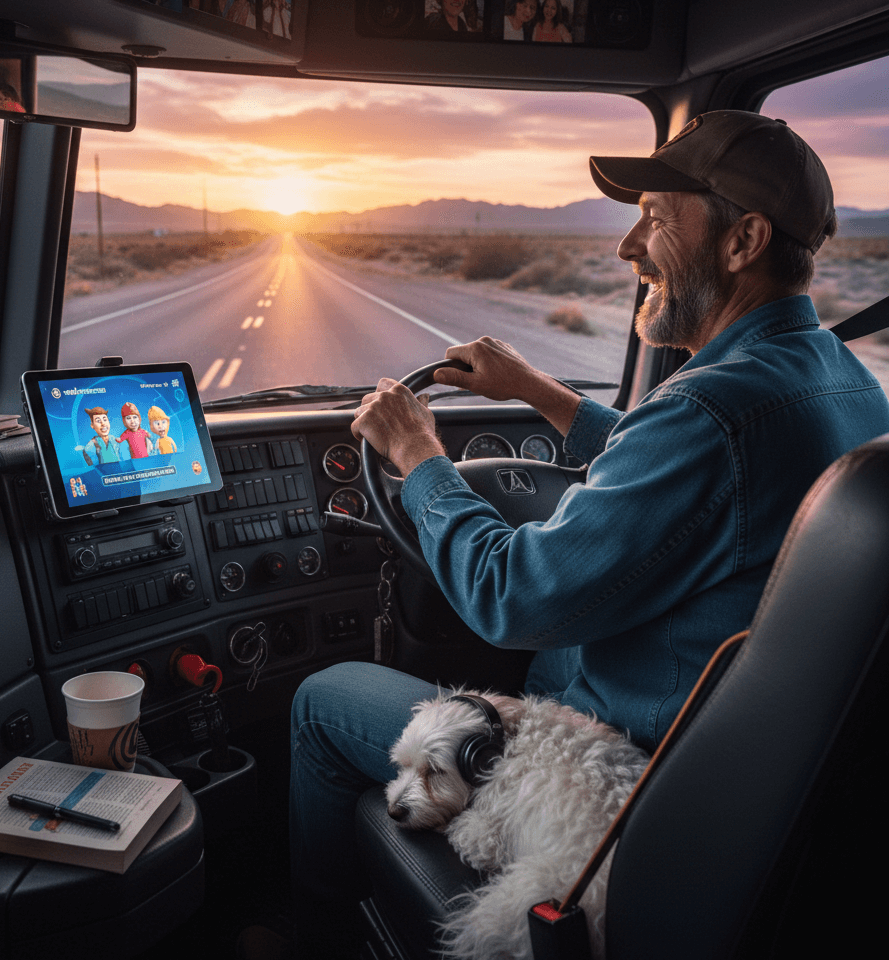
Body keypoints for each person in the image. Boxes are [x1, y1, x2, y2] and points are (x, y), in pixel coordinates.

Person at [271, 112, 889, 958]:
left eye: (657, 222)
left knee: (321, 697)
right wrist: (540, 392)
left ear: (743, 240)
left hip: (625, 775)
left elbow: (508, 596)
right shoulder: (844, 379)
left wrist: (420, 457)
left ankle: (319, 937)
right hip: (734, 782)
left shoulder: (707, 411)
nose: (629, 248)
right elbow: (697, 483)